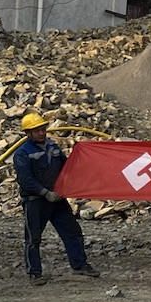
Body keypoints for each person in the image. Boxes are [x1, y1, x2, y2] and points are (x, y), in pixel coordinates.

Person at [13, 113, 100, 285]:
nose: (42, 132)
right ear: (28, 133)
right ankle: (34, 273)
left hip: (57, 198)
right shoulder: (22, 153)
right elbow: (26, 179)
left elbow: (66, 166)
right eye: (37, 130)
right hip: (35, 201)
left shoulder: (52, 147)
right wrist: (45, 192)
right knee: (33, 238)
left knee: (72, 232)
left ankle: (80, 265)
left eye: (43, 129)